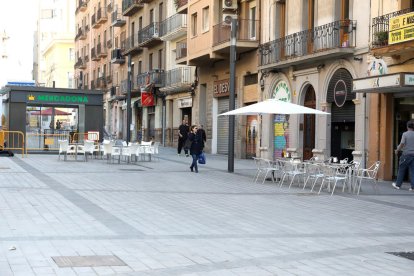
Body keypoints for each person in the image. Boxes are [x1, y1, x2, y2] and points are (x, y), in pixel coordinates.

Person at [392, 120, 414, 191]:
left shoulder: (405, 134)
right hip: (413, 155)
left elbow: (402, 143)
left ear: (407, 126)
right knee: (412, 171)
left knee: (401, 169)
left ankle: (398, 185)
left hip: (406, 155)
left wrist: (397, 150)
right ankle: (412, 187)